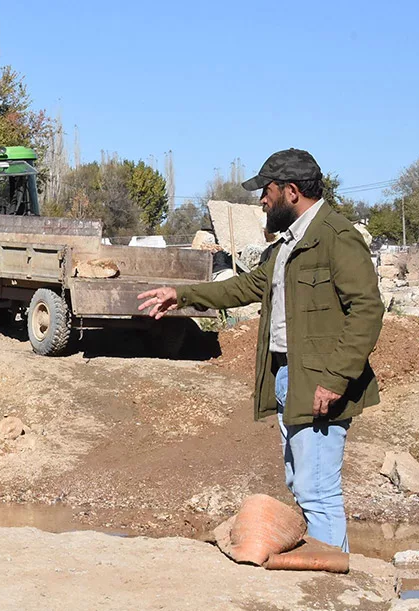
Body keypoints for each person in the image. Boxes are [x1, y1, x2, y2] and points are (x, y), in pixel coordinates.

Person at [136, 148, 383, 552]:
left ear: (290, 191)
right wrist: (180, 295)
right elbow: (245, 287)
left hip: (321, 383)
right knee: (302, 484)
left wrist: (337, 378)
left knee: (317, 489)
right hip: (291, 377)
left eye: (265, 191)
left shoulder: (337, 238)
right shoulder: (286, 246)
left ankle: (329, 585)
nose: (261, 200)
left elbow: (368, 310)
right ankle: (319, 575)